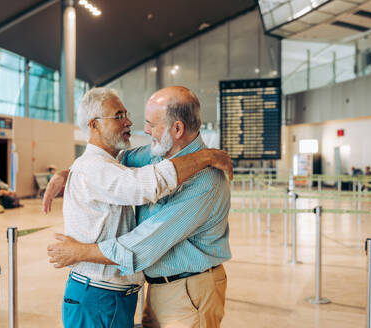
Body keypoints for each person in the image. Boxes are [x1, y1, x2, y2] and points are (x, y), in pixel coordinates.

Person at [44, 87, 232, 328]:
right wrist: (70, 172)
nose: (140, 127)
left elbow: (144, 244)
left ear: (177, 129)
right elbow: (105, 169)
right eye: (119, 116)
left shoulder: (205, 181)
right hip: (117, 292)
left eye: (151, 124)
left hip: (188, 293)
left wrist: (81, 252)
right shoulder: (157, 153)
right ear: (95, 124)